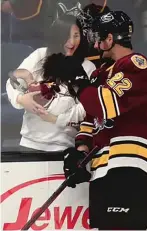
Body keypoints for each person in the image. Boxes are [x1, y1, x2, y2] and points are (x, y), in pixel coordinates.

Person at [42, 10, 147, 230]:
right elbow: (90, 119)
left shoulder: (136, 65)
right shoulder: (100, 75)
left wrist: (80, 83)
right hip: (104, 166)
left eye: (99, 39)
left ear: (110, 39)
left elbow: (105, 105)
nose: (95, 46)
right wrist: (80, 150)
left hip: (131, 161)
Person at [6, 12, 96, 153]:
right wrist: (21, 99)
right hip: (30, 144)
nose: (71, 42)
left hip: (65, 146)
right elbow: (12, 83)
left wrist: (55, 119)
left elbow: (85, 109)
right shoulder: (40, 55)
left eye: (76, 36)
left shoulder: (88, 67)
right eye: (66, 36)